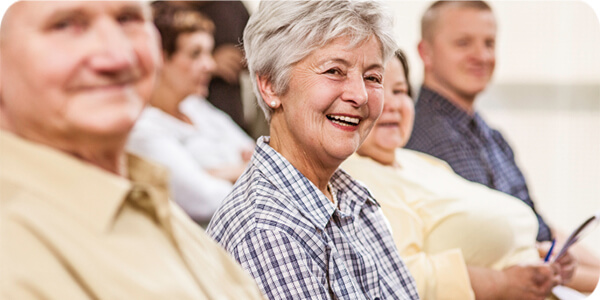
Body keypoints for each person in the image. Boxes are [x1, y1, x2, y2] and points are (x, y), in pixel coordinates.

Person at [0, 1, 264, 299]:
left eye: (128, 19)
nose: (118, 56)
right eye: (65, 25)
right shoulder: (13, 247)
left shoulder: (147, 200)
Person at [206, 1, 419, 299]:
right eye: (334, 71)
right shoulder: (267, 233)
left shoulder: (353, 200)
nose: (359, 95)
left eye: (373, 77)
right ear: (271, 86)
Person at [342, 49, 581, 300]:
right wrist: (500, 283)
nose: (391, 104)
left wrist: (538, 257)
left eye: (400, 91)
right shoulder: (356, 179)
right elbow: (400, 274)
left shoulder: (419, 162)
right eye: (375, 88)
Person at [404, 0, 600, 293]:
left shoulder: (490, 135)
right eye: (463, 43)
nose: (481, 55)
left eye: (489, 43)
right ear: (425, 53)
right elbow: (502, 251)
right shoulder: (424, 138)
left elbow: (538, 225)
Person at [127, 2, 254, 225]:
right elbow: (206, 200)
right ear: (160, 58)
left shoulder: (195, 107)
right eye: (196, 54)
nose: (210, 65)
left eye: (209, 53)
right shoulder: (143, 129)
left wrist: (219, 173)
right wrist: (247, 168)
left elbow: (262, 153)